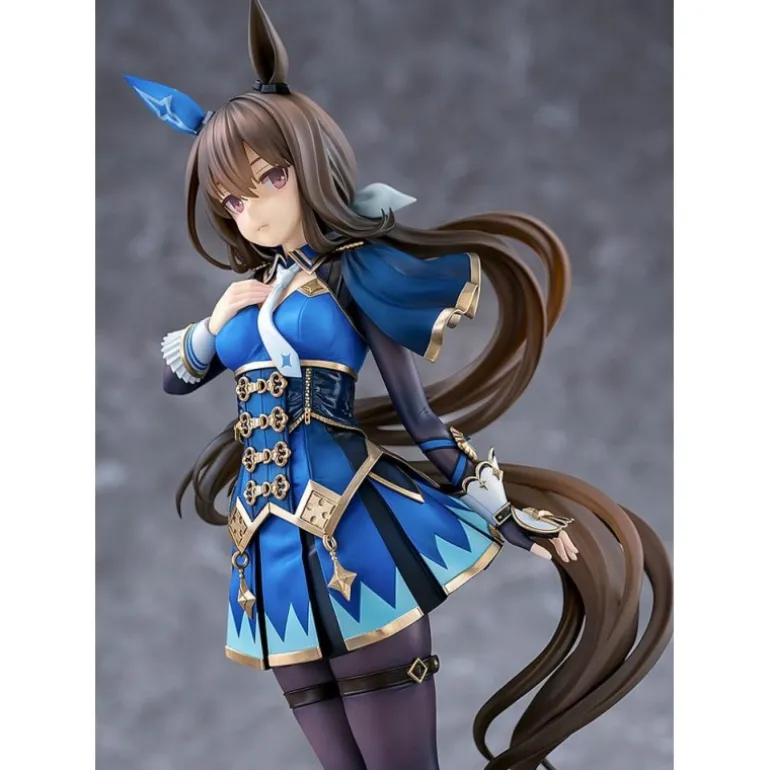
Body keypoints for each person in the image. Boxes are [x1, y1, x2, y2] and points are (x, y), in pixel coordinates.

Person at [125, 2, 672, 769]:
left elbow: (420, 420)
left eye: (269, 179)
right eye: (234, 200)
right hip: (270, 556)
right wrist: (214, 325)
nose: (253, 212)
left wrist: (505, 513)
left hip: (356, 536)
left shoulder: (357, 276)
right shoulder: (247, 297)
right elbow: (174, 378)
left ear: (307, 164)